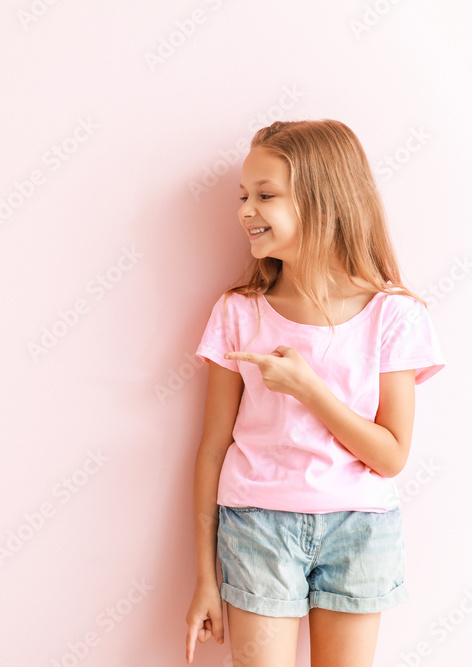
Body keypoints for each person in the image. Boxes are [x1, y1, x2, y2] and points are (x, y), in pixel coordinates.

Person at [183, 120, 444, 666]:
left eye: (266, 196)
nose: (245, 210)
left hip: (360, 530)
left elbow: (391, 455)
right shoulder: (239, 312)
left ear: (321, 202)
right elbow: (212, 449)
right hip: (255, 526)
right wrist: (206, 579)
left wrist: (309, 390)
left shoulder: (392, 315)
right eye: (244, 196)